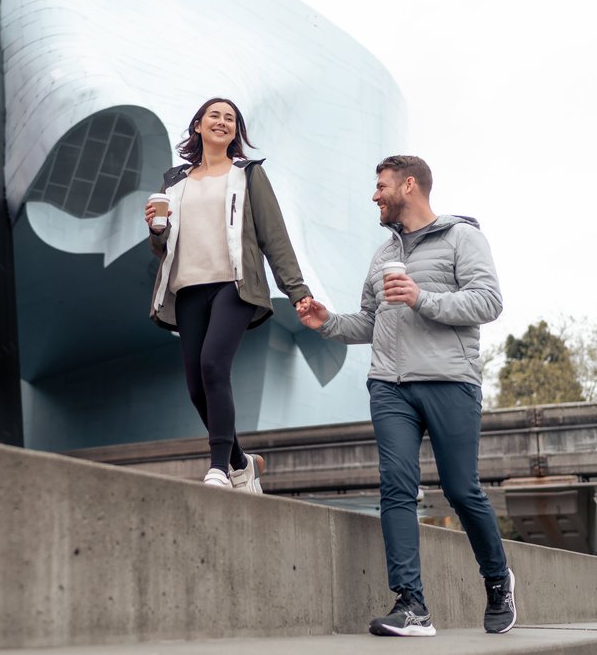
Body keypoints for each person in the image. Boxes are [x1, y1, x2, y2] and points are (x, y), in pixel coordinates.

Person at [297, 155, 516, 636]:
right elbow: (373, 321)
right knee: (396, 489)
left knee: (462, 490)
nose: (375, 195)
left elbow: (489, 301)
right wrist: (327, 322)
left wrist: (422, 298)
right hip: (389, 385)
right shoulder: (382, 254)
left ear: (409, 185)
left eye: (381, 186)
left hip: (449, 380)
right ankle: (411, 605)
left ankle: (498, 581)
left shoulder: (463, 237)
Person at [145, 97, 313, 492]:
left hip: (235, 285)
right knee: (195, 386)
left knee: (213, 366)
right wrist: (156, 230)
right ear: (198, 126)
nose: (222, 122)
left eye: (230, 118)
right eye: (214, 116)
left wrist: (298, 290)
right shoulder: (174, 181)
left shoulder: (248, 174)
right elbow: (163, 246)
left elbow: (275, 237)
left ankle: (219, 467)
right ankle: (242, 462)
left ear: (235, 131)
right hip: (187, 288)